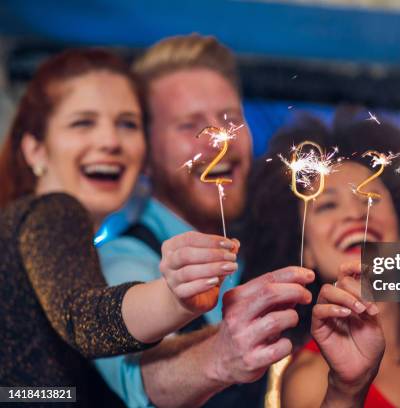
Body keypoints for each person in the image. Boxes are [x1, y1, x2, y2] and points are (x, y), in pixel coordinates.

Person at [0, 49, 239, 406]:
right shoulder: (53, 211)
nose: (110, 141)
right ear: (35, 149)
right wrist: (174, 295)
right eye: (83, 122)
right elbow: (83, 318)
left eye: (127, 123)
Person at [94, 34, 313, 407]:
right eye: (188, 125)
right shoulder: (121, 260)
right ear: (144, 154)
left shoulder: (271, 241)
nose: (220, 142)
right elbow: (141, 380)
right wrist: (221, 354)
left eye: (230, 121)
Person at [242, 116, 400, 407]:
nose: (355, 214)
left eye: (370, 199)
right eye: (327, 204)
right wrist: (346, 391)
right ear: (306, 253)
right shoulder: (308, 378)